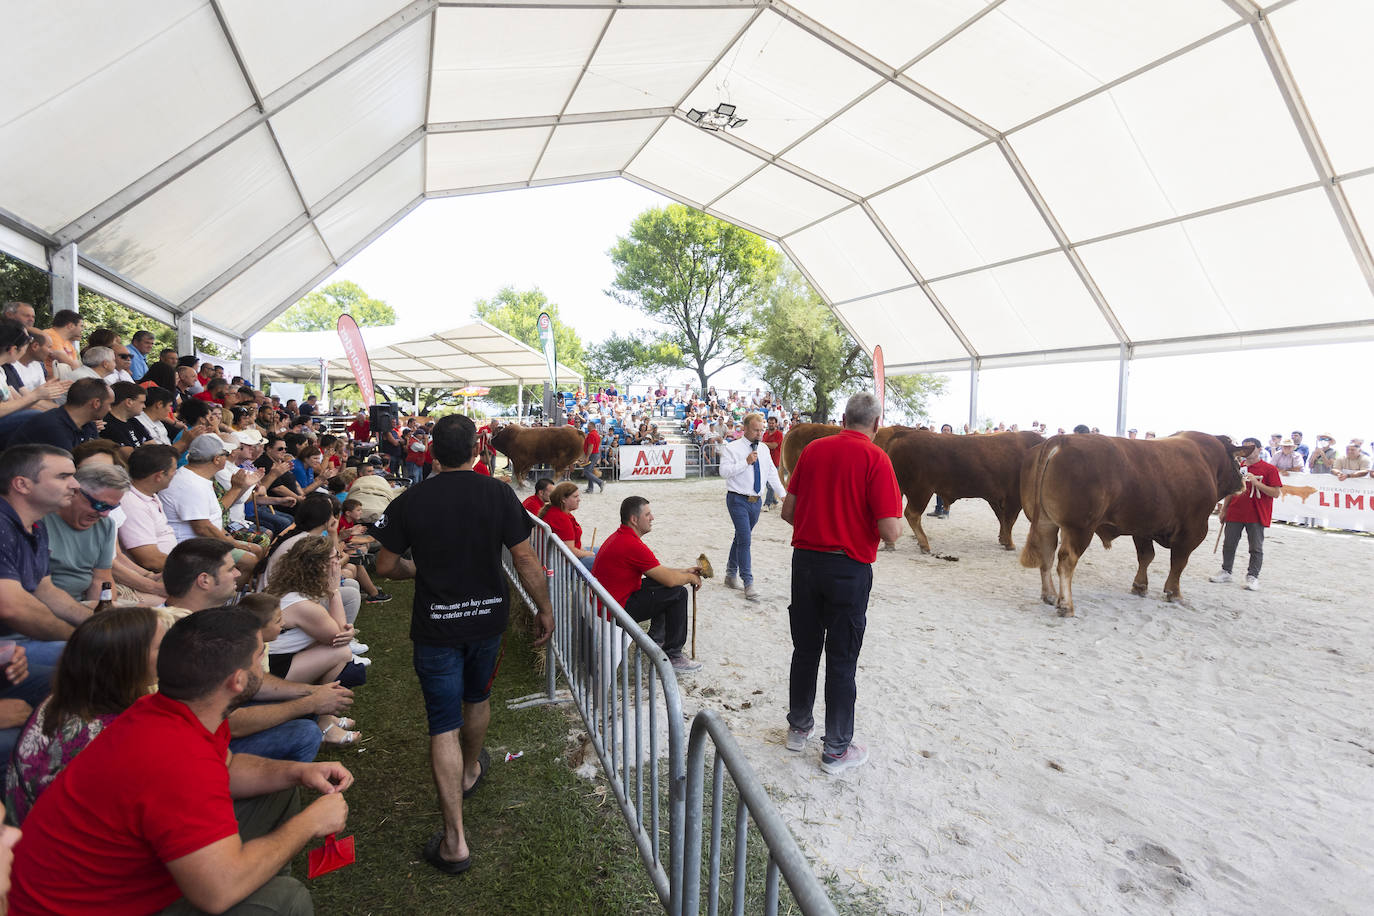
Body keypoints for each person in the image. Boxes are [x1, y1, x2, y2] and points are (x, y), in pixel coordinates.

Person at [8, 607, 352, 914]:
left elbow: (227, 768)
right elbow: (218, 892)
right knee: (285, 900)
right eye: (259, 654)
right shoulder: (176, 759)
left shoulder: (174, 710)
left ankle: (256, 877)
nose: (264, 661)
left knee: (282, 789)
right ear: (237, 681)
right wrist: (310, 823)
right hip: (85, 905)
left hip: (117, 876)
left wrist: (299, 771)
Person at [374, 413, 554, 876]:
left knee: (442, 725)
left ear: (432, 452)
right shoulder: (497, 492)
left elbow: (385, 565)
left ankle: (455, 840)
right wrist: (544, 608)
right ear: (478, 451)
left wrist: (415, 571)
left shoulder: (411, 499)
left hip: (436, 625)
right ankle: (470, 768)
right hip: (485, 621)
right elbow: (525, 557)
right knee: (477, 698)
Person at [780, 392, 902, 775]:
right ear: (876, 424)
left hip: (806, 563)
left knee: (805, 649)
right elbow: (892, 532)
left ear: (843, 418)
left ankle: (798, 728)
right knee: (842, 658)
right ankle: (835, 749)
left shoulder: (814, 451)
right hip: (848, 569)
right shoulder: (877, 459)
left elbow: (788, 512)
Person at [4, 607, 163, 825]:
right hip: (44, 841)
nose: (170, 651)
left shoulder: (67, 697)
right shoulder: (106, 736)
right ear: (129, 663)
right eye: (160, 646)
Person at [0, 445, 94, 666]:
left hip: (19, 642)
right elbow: (13, 607)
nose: (76, 485)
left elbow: (45, 590)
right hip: (8, 647)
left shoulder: (35, 524)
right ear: (22, 484)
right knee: (101, 660)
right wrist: (82, 639)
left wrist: (97, 624)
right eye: (64, 477)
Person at [591, 496, 702, 672]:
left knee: (659, 584)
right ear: (634, 520)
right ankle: (673, 655)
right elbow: (670, 580)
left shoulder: (622, 536)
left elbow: (659, 572)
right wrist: (690, 578)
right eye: (648, 514)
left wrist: (684, 571)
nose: (653, 518)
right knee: (678, 592)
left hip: (607, 603)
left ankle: (656, 639)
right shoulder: (631, 544)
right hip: (613, 610)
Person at [160, 434, 263, 580]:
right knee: (250, 559)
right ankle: (225, 600)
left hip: (204, 542)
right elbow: (202, 528)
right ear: (216, 459)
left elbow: (213, 516)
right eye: (225, 454)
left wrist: (239, 487)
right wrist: (233, 544)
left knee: (255, 551)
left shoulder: (198, 478)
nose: (228, 458)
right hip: (190, 548)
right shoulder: (191, 483)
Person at [265, 538, 360, 691]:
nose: (338, 560)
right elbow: (339, 638)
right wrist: (334, 591)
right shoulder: (301, 605)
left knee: (325, 644)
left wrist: (345, 633)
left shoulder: (287, 588)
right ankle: (322, 712)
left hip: (269, 660)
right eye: (335, 557)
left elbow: (333, 634)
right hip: (271, 669)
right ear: (321, 566)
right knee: (341, 652)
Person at [718, 412, 785, 602]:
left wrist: (783, 494)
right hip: (737, 499)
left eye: (761, 430)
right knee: (745, 539)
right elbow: (724, 472)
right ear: (745, 429)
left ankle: (730, 574)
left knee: (740, 537)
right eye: (756, 430)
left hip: (756, 501)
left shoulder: (763, 449)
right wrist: (745, 462)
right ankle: (748, 582)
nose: (759, 433)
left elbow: (772, 473)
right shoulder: (732, 448)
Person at [43, 462, 130, 602]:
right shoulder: (38, 519)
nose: (105, 514)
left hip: (82, 605)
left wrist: (101, 618)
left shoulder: (105, 526)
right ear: (74, 492)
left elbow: (102, 580)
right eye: (100, 505)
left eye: (112, 508)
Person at [1210, 437, 1282, 591]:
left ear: (1259, 449)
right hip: (1236, 511)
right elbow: (1231, 490)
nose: (1248, 451)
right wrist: (1224, 509)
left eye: (1252, 447)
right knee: (1229, 544)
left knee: (1255, 547)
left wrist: (1257, 484)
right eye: (1245, 448)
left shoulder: (1269, 469)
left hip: (1257, 513)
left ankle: (1252, 576)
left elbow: (1276, 493)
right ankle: (1226, 571)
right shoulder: (1238, 467)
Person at [6, 377, 109, 452]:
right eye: (110, 404)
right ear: (96, 403)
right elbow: (71, 467)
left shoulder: (88, 424)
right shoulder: (53, 426)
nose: (110, 409)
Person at [540, 482, 596, 570]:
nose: (579, 499)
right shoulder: (561, 518)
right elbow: (570, 551)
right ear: (563, 499)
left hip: (557, 558)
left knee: (602, 551)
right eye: (575, 497)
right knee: (600, 558)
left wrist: (583, 550)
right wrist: (588, 554)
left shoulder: (555, 511)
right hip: (562, 564)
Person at [97, 381, 150, 452]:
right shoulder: (107, 424)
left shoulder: (133, 421)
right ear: (129, 402)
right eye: (142, 402)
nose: (144, 406)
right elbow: (128, 455)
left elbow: (151, 443)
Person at [760, 415, 784, 510]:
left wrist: (762, 444)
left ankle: (767, 504)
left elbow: (774, 445)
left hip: (775, 461)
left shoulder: (779, 434)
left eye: (772, 423)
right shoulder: (765, 434)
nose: (771, 424)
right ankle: (774, 501)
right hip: (765, 461)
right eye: (769, 423)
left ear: (776, 424)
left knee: (770, 484)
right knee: (767, 483)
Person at [582, 421, 605, 493]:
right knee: (590, 471)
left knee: (586, 472)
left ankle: (600, 482)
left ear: (591, 426)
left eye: (588, 427)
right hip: (595, 454)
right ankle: (590, 488)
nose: (587, 428)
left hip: (592, 454)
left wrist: (587, 456)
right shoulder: (596, 434)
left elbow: (590, 446)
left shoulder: (591, 434)